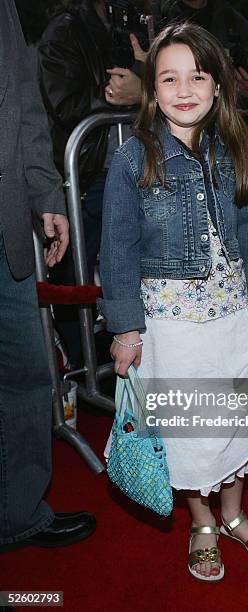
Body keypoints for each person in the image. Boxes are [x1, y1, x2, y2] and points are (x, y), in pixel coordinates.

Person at [98, 22, 248, 582]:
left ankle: (234, 514)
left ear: (219, 86)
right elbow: (118, 251)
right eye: (169, 78)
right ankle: (202, 522)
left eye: (197, 76)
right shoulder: (132, 160)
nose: (184, 89)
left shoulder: (234, 149)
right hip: (172, 330)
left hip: (233, 321)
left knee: (238, 422)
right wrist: (126, 330)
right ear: (153, 91)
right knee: (192, 432)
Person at [0, 0, 95, 550]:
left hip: (8, 226)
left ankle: (18, 514)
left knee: (27, 375)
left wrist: (44, 192)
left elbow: (25, 106)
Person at [38, 0, 146, 368]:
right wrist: (114, 95)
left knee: (131, 260)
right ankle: (86, 364)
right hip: (90, 168)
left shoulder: (132, 21)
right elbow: (63, 102)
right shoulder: (65, 29)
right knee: (75, 269)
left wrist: (143, 84)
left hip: (133, 161)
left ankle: (118, 350)